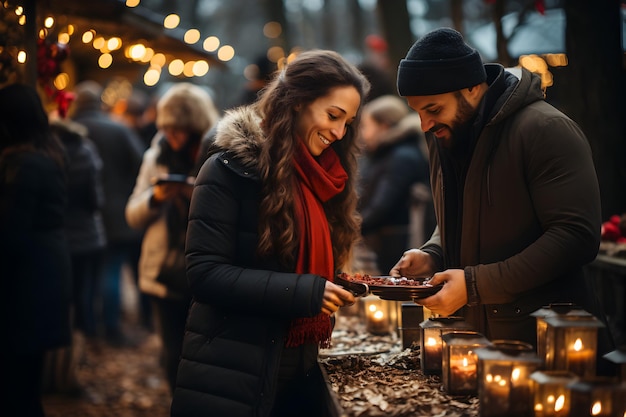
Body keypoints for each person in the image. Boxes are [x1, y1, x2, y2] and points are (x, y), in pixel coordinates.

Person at [170, 49, 370, 417]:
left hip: (297, 373)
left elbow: (292, 264)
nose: (339, 133)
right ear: (295, 104)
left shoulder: (323, 178)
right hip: (231, 374)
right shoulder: (228, 170)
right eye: (333, 116)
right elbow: (205, 275)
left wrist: (336, 285)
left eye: (348, 123)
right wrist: (305, 291)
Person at [391, 28, 605, 352]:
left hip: (550, 347)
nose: (424, 125)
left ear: (473, 89)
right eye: (417, 112)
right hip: (477, 345)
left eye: (433, 109)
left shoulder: (545, 130)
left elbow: (575, 237)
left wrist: (474, 286)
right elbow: (465, 213)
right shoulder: (443, 134)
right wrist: (434, 253)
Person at [125, 82, 220, 393]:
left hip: (206, 271)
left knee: (205, 354)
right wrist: (157, 197)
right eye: (166, 128)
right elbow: (132, 214)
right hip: (164, 271)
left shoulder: (215, 155)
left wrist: (197, 194)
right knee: (171, 352)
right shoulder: (157, 156)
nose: (171, 137)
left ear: (195, 127)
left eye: (178, 130)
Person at [0, 83, 73, 417]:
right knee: (24, 385)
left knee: (18, 390)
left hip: (24, 288)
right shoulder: (50, 152)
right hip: (43, 279)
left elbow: (11, 234)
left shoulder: (25, 164)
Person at [70, 80, 146, 345]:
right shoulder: (118, 130)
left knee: (85, 274)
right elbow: (141, 163)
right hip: (116, 212)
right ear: (99, 103)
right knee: (111, 270)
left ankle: (87, 327)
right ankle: (111, 328)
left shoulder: (65, 133)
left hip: (78, 216)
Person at [357, 95, 431, 274]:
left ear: (384, 126)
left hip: (397, 245)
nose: (361, 134)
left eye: (365, 126)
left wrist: (351, 228)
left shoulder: (401, 157)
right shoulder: (391, 153)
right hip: (391, 243)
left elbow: (382, 206)